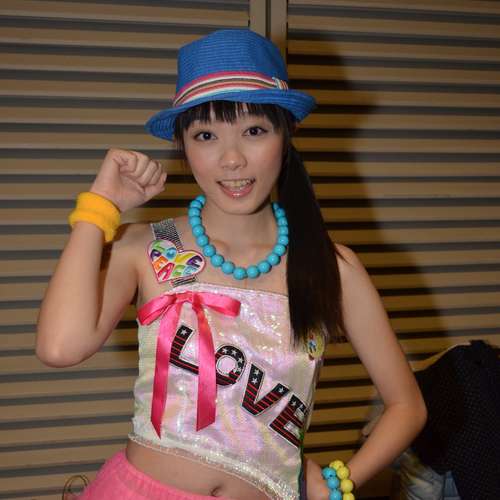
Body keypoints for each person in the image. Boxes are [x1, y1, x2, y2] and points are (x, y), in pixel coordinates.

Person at [36, 29, 427, 500]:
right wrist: (100, 207)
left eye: (254, 131)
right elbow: (59, 347)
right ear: (183, 144)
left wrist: (336, 484)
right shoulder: (151, 246)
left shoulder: (331, 267)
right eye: (206, 135)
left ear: (286, 134)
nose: (232, 159)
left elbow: (407, 406)